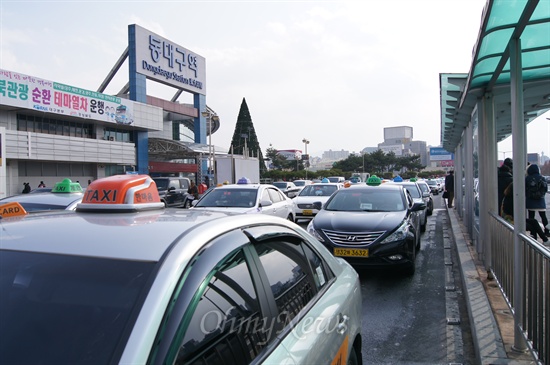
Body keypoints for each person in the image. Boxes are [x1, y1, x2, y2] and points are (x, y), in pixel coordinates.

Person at [525, 163, 549, 237]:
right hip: (540, 200)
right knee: (543, 216)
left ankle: (533, 233)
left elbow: (525, 189)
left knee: (531, 217)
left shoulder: (527, 178)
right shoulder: (542, 178)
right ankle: (547, 231)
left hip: (530, 201)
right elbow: (545, 189)